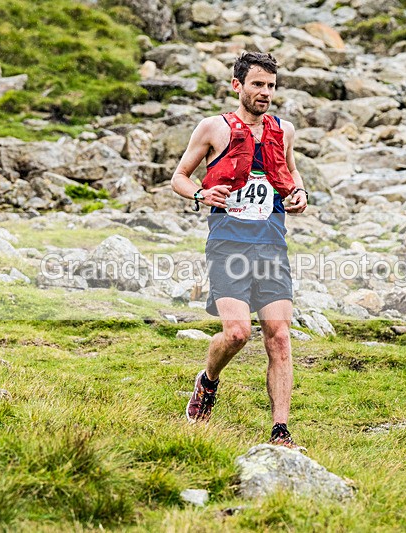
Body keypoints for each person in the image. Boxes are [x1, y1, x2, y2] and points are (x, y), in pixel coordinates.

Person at [171, 51, 308, 450]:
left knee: (279, 337)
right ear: (238, 86)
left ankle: (280, 431)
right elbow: (178, 177)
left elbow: (292, 170)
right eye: (258, 85)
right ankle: (207, 382)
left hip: (271, 247)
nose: (265, 93)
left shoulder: (285, 130)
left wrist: (298, 193)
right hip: (228, 245)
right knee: (236, 333)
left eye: (271, 86)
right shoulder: (213, 128)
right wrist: (200, 192)